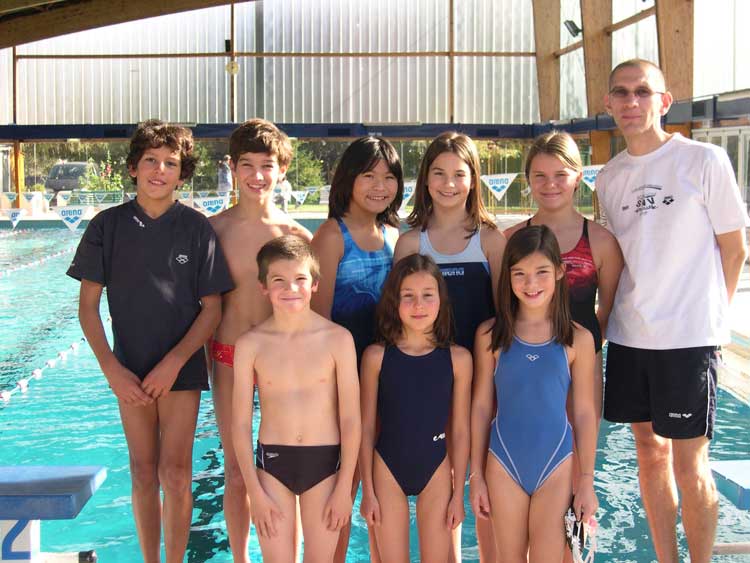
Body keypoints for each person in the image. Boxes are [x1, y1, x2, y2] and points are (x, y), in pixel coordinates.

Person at [597, 59, 748, 563]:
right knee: (648, 453)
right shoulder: (610, 177)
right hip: (630, 335)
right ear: (608, 103)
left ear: (664, 102)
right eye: (621, 92)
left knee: (690, 464)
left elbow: (734, 248)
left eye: (643, 91)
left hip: (688, 339)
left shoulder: (703, 160)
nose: (631, 101)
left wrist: (711, 317)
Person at [67, 119, 234, 563]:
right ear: (132, 167)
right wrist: (112, 370)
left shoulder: (196, 228)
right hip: (130, 368)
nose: (160, 170)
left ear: (183, 174)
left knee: (175, 472)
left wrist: (175, 361)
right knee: (143, 472)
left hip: (180, 367)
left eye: (170, 163)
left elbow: (212, 309)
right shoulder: (107, 226)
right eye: (151, 161)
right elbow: (88, 308)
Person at [393, 131, 505, 561]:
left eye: (459, 174)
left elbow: (505, 318)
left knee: (486, 483)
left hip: (481, 383)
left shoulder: (490, 240)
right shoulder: (411, 242)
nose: (449, 183)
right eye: (438, 173)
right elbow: (398, 317)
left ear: (473, 179)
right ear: (425, 179)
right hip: (429, 383)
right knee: (443, 486)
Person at [209, 118, 312, 562]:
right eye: (247, 165)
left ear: (282, 170)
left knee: (290, 470)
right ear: (232, 168)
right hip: (228, 357)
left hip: (281, 363)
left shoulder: (297, 237)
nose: (257, 175)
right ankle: (240, 558)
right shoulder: (212, 230)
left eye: (267, 166)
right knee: (236, 471)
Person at [470, 225, 598, 563]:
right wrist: (476, 475)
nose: (531, 284)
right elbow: (481, 407)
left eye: (541, 272)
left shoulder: (578, 339)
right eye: (520, 274)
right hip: (503, 463)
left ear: (559, 271)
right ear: (508, 277)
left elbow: (584, 413)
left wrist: (587, 479)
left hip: (556, 466)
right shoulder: (490, 335)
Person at [231, 235, 361, 562]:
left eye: (300, 279)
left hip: (326, 465)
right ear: (263, 286)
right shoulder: (250, 344)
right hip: (272, 467)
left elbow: (350, 418)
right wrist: (254, 492)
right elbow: (240, 424)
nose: (290, 288)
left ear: (314, 284)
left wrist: (344, 487)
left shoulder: (338, 339)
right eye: (278, 280)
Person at [310, 135, 403, 562]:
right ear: (348, 178)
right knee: (341, 490)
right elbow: (318, 324)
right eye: (369, 176)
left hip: (387, 379)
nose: (380, 186)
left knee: (381, 488)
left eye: (389, 177)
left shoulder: (394, 236)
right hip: (341, 385)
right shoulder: (332, 236)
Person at [359, 254, 472, 562]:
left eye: (427, 295)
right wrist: (367, 490)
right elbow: (366, 427)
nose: (418, 305)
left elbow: (460, 430)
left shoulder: (459, 359)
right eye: (408, 296)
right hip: (387, 469)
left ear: (441, 300)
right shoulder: (376, 357)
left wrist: (458, 494)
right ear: (394, 301)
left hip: (436, 470)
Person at [505, 130, 623, 418]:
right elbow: (503, 306)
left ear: (578, 177)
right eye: (540, 176)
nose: (550, 184)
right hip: (523, 360)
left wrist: (581, 350)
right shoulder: (509, 240)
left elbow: (608, 311)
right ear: (528, 179)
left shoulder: (601, 242)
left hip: (582, 362)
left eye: (560, 174)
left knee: (582, 441)